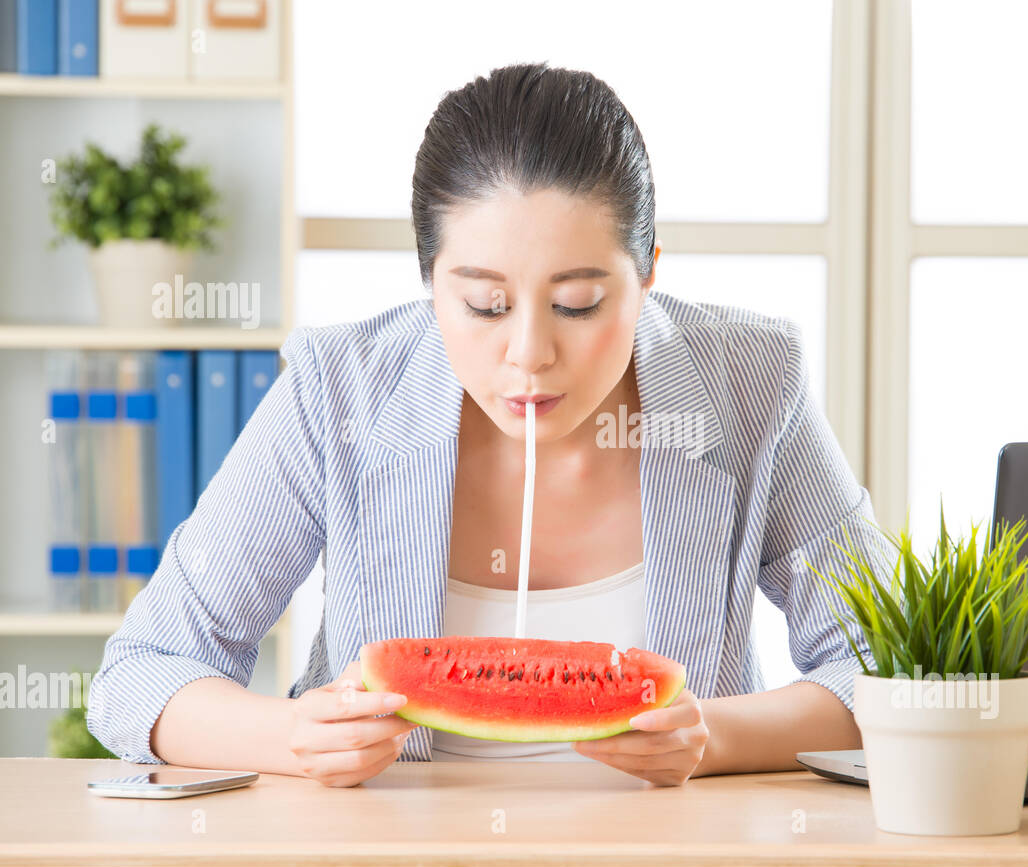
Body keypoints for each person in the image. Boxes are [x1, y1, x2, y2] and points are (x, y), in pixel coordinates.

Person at [87, 61, 895, 788]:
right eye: (484, 304)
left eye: (578, 303)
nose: (529, 354)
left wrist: (711, 735)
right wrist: (293, 736)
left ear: (649, 270)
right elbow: (139, 673)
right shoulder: (338, 392)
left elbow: (893, 677)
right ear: (428, 280)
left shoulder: (751, 384)